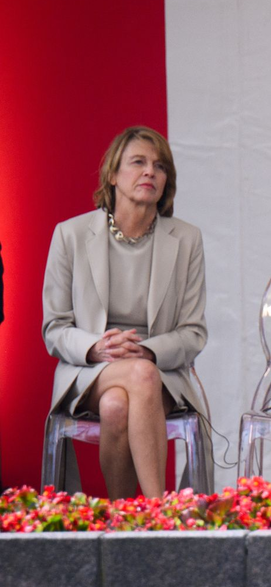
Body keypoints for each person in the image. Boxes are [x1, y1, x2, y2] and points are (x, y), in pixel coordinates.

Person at [42, 126, 210, 499]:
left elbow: (193, 332)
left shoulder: (186, 240)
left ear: (167, 182)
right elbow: (54, 327)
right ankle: (156, 511)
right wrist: (96, 347)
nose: (150, 172)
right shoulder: (70, 235)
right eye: (138, 162)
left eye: (160, 166)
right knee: (137, 377)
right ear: (113, 175)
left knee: (118, 404)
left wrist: (148, 351)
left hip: (161, 371)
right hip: (88, 370)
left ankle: (124, 522)